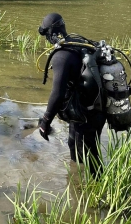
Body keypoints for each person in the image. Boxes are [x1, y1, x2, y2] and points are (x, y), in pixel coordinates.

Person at [37, 13, 106, 174]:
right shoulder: (80, 44)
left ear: (50, 33)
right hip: (89, 110)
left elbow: (58, 93)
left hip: (88, 113)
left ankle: (102, 193)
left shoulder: (61, 55)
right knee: (73, 144)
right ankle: (76, 183)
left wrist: (45, 121)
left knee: (90, 157)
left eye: (46, 34)